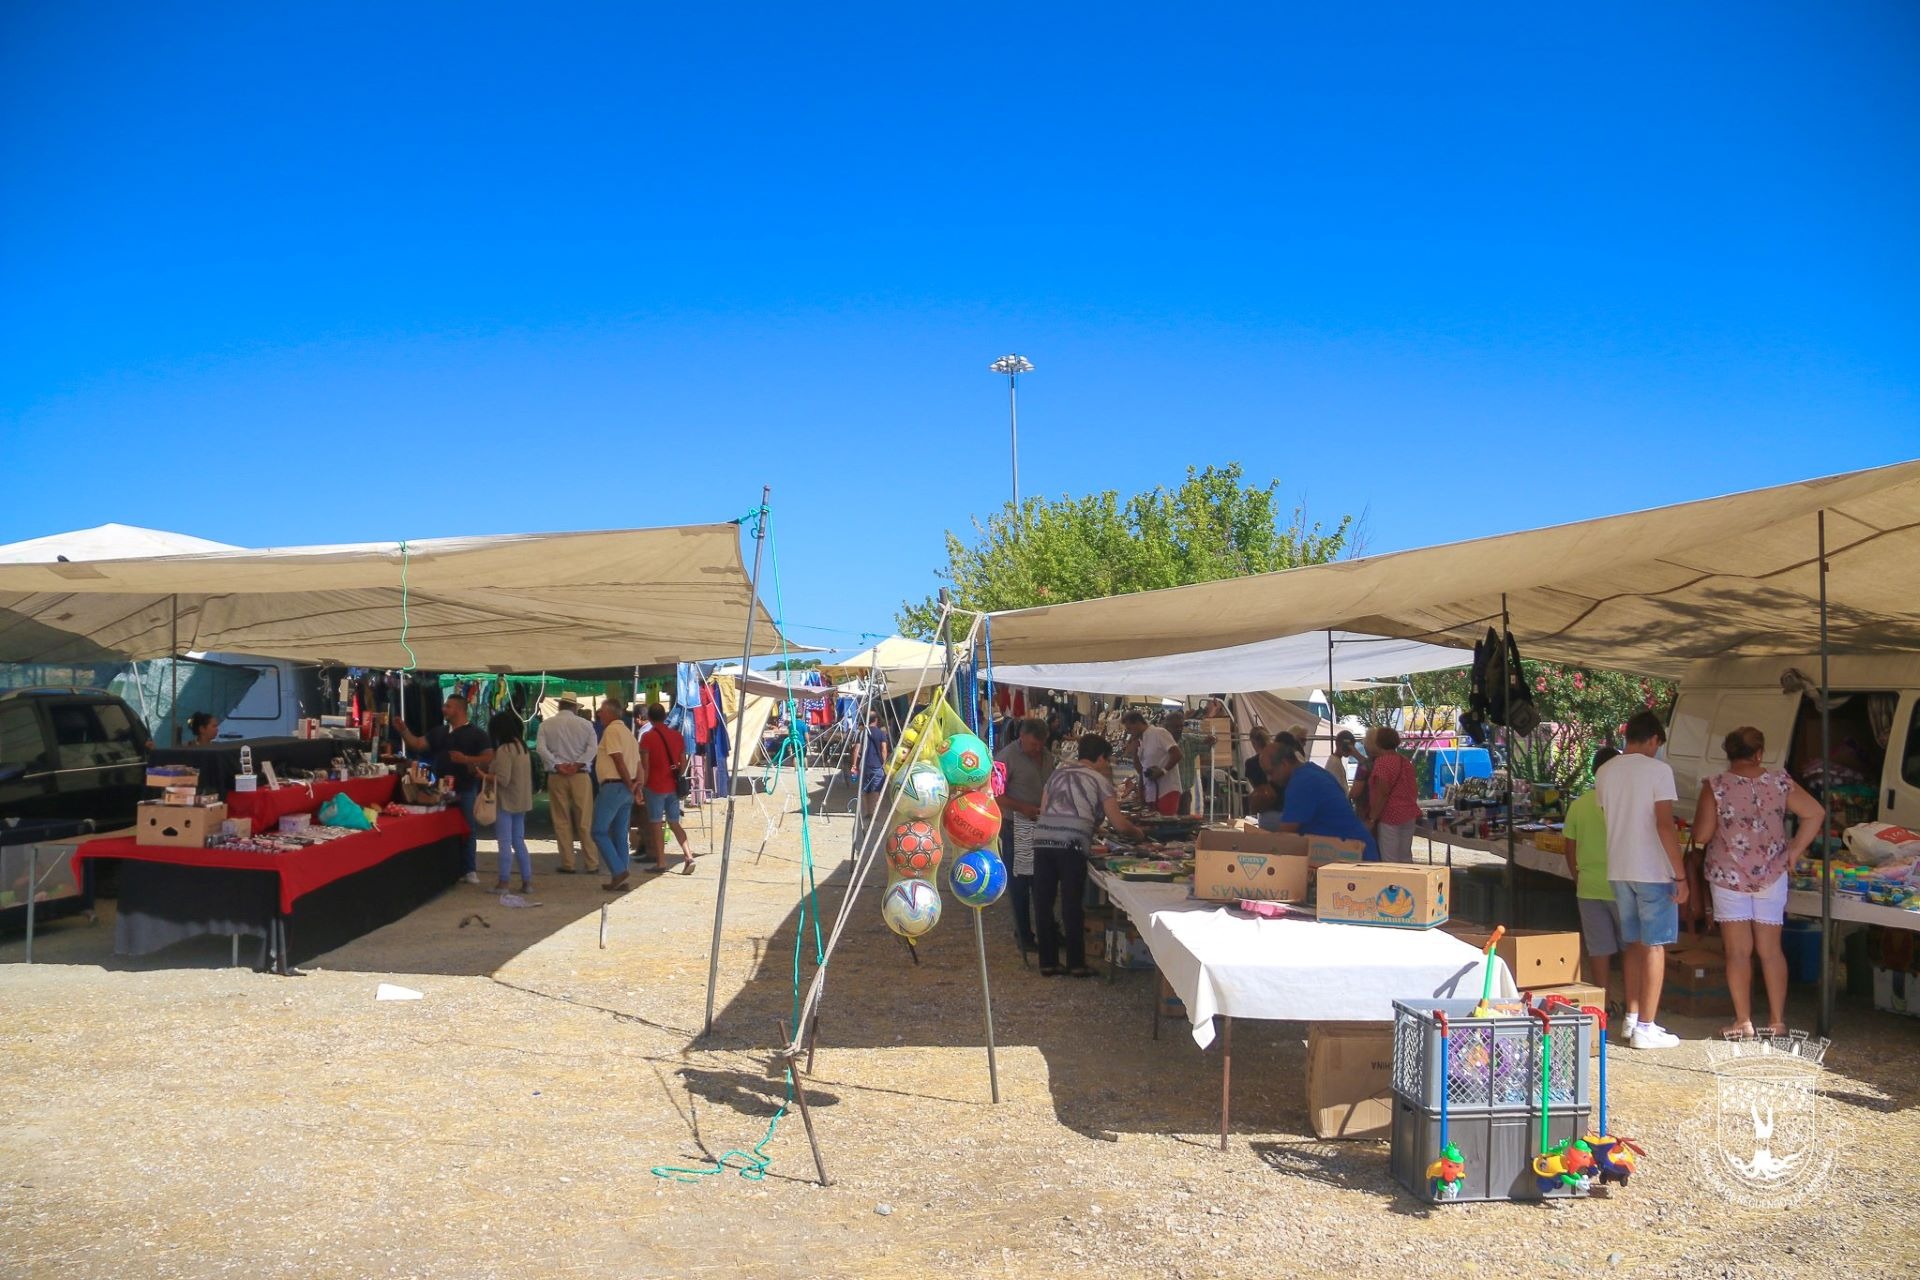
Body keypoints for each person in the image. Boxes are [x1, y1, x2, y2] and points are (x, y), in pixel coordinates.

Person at [1692, 726, 1824, 1037]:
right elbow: (1815, 813)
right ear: (1759, 753)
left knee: (1737, 952)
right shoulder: (1780, 781)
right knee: (1771, 951)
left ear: (1729, 754)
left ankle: (1744, 1021)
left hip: (1728, 875)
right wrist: (1793, 850)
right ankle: (1777, 1021)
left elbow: (1701, 835)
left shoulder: (1715, 786)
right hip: (1772, 874)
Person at [1594, 710, 1686, 1050]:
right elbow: (1665, 824)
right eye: (1656, 744)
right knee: (1655, 944)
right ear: (1652, 739)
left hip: (1619, 867)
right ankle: (1647, 1026)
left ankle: (1632, 1018)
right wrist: (1681, 874)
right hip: (1653, 870)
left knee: (1632, 942)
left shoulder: (1605, 771)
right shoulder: (1659, 771)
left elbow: (1609, 815)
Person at [1031, 735, 1143, 977]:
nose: (1108, 764)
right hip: (1071, 844)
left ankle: (1048, 962)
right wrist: (1138, 833)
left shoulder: (1057, 774)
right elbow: (1119, 823)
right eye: (1107, 759)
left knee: (1043, 903)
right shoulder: (1100, 780)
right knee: (1072, 904)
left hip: (1042, 841)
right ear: (1101, 757)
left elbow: (1045, 808)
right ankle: (1076, 964)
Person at [394, 694, 494, 884]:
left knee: (468, 828)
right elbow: (417, 743)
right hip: (439, 789)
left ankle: (470, 869)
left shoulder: (477, 734)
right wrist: (404, 730)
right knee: (442, 828)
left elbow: (489, 759)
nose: (443, 709)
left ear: (458, 709)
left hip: (465, 787)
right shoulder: (439, 732)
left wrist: (466, 760)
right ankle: (448, 870)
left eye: (448, 706)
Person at [1255, 739, 1379, 859]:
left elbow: (1285, 836)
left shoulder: (1301, 783)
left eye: (1270, 772)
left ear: (1284, 764)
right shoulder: (1312, 771)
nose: (1269, 779)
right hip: (1354, 849)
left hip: (1354, 855)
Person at [994, 717, 1056, 958]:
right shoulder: (1005, 758)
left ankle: (1047, 930)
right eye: (1032, 745)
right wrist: (1021, 807)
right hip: (1017, 825)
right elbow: (996, 795)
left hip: (1043, 824)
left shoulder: (1048, 756)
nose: (1036, 749)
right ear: (1021, 737)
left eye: (1040, 745)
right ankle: (1023, 934)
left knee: (1043, 881)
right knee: (1020, 883)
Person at [1562, 747, 1621, 991]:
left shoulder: (1580, 804)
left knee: (1599, 948)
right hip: (1622, 884)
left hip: (1588, 886)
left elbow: (1569, 848)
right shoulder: (1624, 803)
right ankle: (1634, 1006)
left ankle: (1603, 1000)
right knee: (1634, 948)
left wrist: (1578, 877)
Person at [537, 694, 599, 875]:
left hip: (557, 775)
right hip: (580, 775)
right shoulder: (586, 725)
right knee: (584, 821)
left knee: (561, 820)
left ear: (559, 706)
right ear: (575, 708)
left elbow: (541, 748)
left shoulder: (545, 725)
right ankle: (591, 862)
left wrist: (557, 764)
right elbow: (592, 748)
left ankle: (568, 863)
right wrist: (578, 764)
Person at [591, 699, 644, 891]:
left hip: (614, 786)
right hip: (625, 788)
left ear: (610, 713)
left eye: (602, 711)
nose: (599, 714)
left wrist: (631, 785)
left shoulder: (612, 730)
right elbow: (638, 765)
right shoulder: (628, 733)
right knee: (620, 833)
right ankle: (621, 874)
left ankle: (618, 870)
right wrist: (637, 786)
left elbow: (618, 759)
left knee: (598, 831)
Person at [638, 703, 695, 874]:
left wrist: (641, 786)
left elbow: (645, 766)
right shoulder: (676, 736)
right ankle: (688, 855)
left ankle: (661, 862)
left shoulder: (647, 737)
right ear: (665, 716)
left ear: (649, 718)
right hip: (672, 785)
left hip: (654, 785)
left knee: (656, 824)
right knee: (674, 822)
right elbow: (683, 762)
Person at [485, 711, 533, 894]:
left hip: (505, 802)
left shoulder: (505, 750)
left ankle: (503, 882)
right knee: (518, 841)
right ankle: (527, 881)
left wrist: (483, 775)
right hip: (521, 801)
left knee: (504, 842)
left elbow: (502, 779)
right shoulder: (522, 747)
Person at [1365, 726, 1421, 862]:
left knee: (1390, 860)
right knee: (1405, 857)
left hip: (1390, 816)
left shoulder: (1382, 763)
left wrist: (1372, 818)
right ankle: (1408, 882)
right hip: (1408, 814)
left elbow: (1382, 794)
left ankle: (1393, 883)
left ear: (1378, 742)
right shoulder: (1404, 761)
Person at [1123, 710, 1183, 816]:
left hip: (1167, 789)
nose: (1129, 732)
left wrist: (1163, 771)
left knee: (1165, 823)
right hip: (1151, 792)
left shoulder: (1159, 733)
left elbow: (1177, 754)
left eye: (1129, 728)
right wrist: (1134, 752)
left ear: (1137, 723)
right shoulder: (1141, 740)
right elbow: (1140, 770)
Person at [851, 710, 890, 830]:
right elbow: (884, 749)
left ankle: (868, 811)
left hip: (865, 765)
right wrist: (885, 763)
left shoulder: (862, 733)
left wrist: (854, 764)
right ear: (876, 720)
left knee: (866, 790)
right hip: (877, 765)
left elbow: (856, 749)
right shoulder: (881, 733)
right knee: (877, 790)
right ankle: (875, 813)